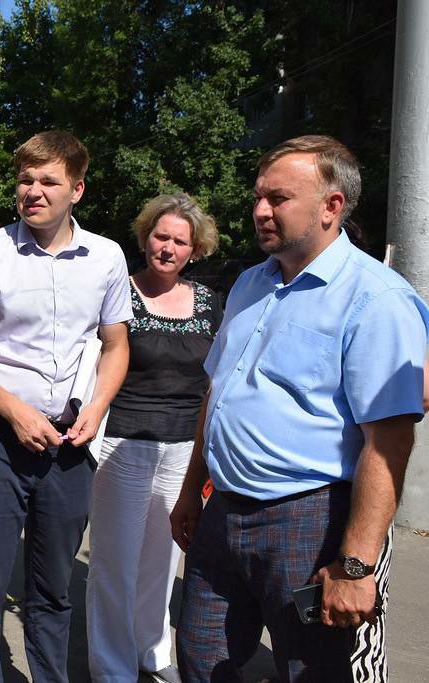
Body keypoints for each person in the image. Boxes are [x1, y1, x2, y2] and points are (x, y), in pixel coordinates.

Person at [170, 135, 429, 682]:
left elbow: (388, 441)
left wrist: (355, 565)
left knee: (311, 670)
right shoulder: (250, 283)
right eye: (258, 197)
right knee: (199, 656)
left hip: (310, 521)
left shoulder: (377, 299)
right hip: (223, 511)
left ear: (332, 206)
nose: (260, 211)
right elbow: (218, 394)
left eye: (278, 199)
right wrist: (193, 489)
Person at [0, 130, 132, 683]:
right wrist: (13, 411)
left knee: (52, 592)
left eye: (49, 181)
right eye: (26, 180)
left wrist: (98, 406)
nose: (34, 191)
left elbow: (116, 345)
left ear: (77, 189)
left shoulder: (106, 257)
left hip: (70, 445)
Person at [86, 193, 221, 683]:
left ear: (195, 249)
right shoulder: (118, 291)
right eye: (160, 236)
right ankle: (112, 668)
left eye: (179, 241)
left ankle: (152, 650)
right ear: (145, 238)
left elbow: (218, 373)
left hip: (185, 446)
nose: (167, 248)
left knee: (164, 560)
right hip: (122, 442)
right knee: (114, 562)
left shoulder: (210, 302)